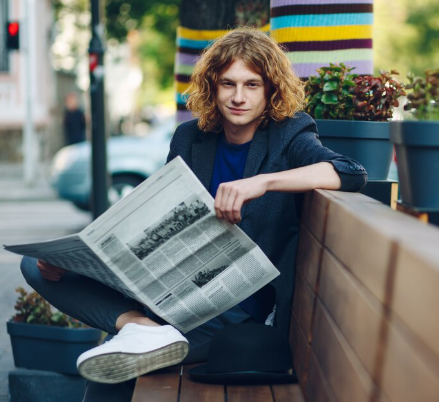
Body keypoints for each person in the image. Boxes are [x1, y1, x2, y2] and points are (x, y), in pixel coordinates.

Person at [20, 28, 367, 401]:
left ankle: (143, 332)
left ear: (270, 90)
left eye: (252, 85)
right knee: (35, 266)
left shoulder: (289, 134)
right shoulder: (190, 137)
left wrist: (262, 183)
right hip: (170, 293)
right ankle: (140, 326)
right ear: (212, 87)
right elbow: (160, 216)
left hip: (236, 312)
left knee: (114, 367)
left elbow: (350, 172)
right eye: (228, 83)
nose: (238, 97)